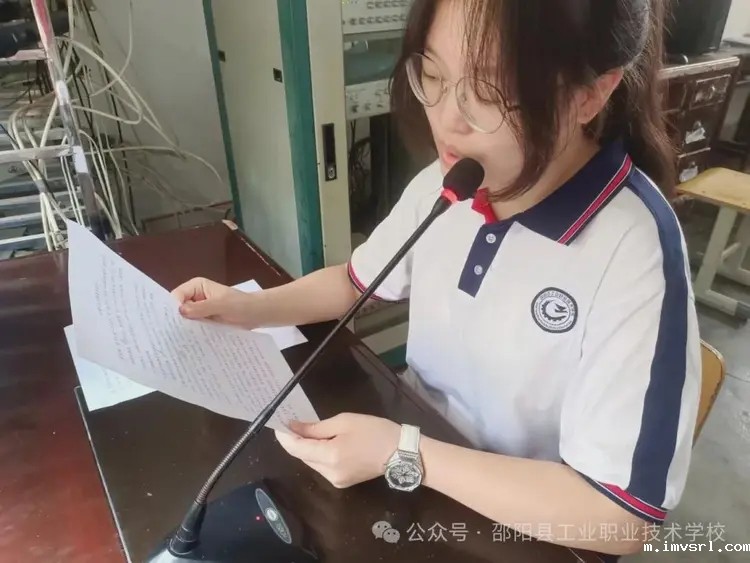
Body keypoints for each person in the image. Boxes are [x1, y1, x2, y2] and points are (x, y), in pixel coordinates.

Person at [172, 0, 701, 556]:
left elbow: (620, 518)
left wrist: (404, 453)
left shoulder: (634, 252)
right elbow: (356, 282)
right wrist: (247, 307)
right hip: (408, 474)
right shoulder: (447, 181)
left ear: (589, 95)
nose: (448, 119)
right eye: (432, 74)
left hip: (516, 530)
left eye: (488, 93)